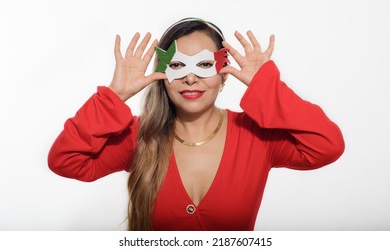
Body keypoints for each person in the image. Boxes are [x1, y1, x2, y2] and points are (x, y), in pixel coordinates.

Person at [48, 17, 345, 231]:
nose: (191, 78)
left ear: (224, 73)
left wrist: (267, 88)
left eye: (204, 65)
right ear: (162, 75)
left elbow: (326, 146)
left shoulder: (257, 137)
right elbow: (65, 161)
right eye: (177, 65)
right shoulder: (138, 137)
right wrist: (115, 96)